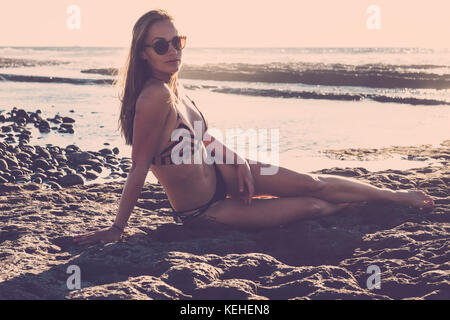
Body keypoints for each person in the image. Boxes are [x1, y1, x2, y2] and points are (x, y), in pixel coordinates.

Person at [73, 9, 434, 246]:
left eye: (177, 41)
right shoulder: (153, 97)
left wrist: (237, 161)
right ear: (143, 53)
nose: (173, 50)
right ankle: (353, 208)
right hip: (203, 210)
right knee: (310, 206)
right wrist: (117, 229)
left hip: (225, 172)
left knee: (314, 184)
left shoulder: (174, 86)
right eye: (161, 44)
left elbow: (203, 139)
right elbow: (139, 167)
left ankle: (397, 197)